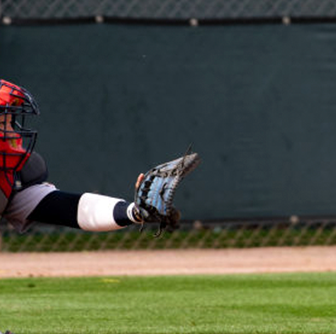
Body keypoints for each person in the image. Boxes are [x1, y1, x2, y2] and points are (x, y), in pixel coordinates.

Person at [1, 79, 196, 236]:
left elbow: (73, 209)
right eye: (4, 123)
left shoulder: (11, 175)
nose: (12, 133)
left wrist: (135, 211)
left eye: (11, 123)